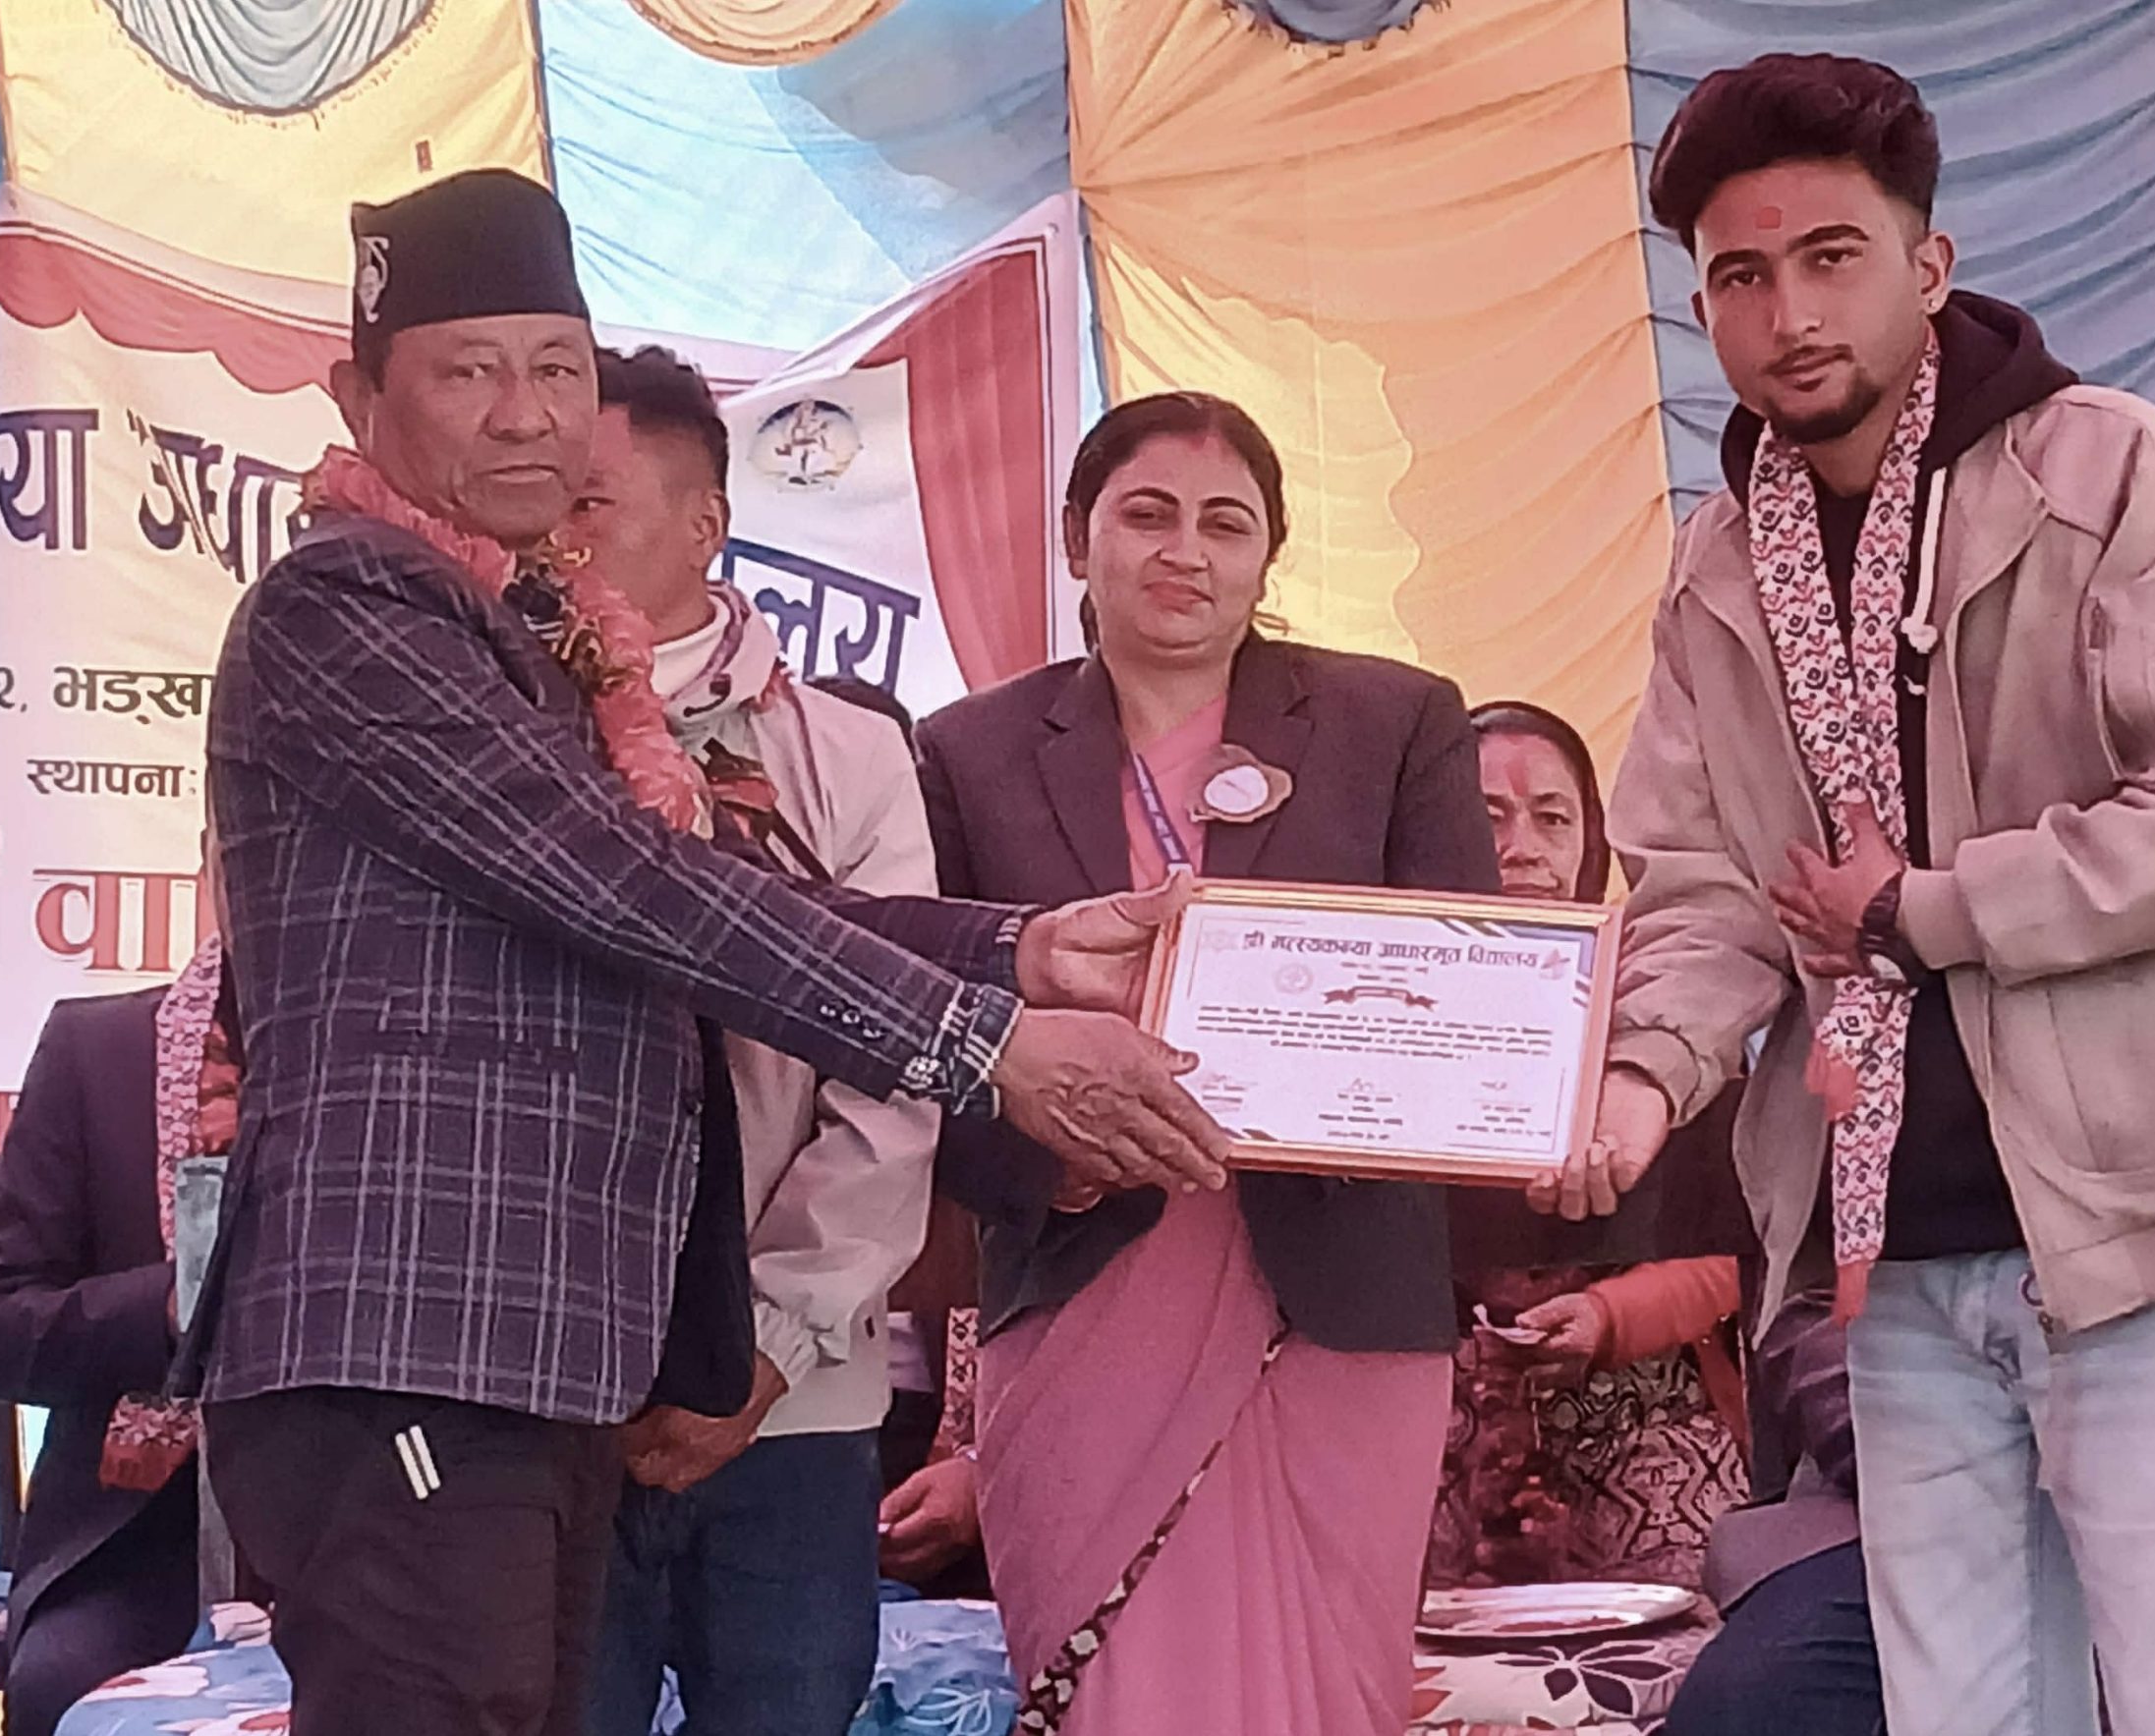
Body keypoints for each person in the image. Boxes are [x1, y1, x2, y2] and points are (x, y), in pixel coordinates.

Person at [183, 169, 1229, 1736]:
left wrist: (1022, 951)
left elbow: (707, 887)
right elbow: (627, 886)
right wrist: (986, 1043)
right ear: (359, 396)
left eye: (558, 367)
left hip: (544, 1353)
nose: (526, 412)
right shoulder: (348, 605)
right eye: (469, 371)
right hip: (411, 1338)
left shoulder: (531, 637)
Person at [1556, 54, 2155, 1736]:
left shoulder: (2106, 473)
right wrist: (1639, 1078)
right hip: (1885, 1255)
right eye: (1741, 276)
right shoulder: (1716, 565)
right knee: (1959, 1715)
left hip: (2143, 1226)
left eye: (1832, 256)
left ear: (1930, 262)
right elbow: (1699, 890)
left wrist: (1926, 908)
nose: (1789, 313)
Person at [914, 390, 1498, 1735]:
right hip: (1086, 1283)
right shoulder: (967, 752)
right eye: (1148, 515)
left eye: (1226, 524)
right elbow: (926, 1028)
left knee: (1332, 1692)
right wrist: (1057, 1162)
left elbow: (1465, 986)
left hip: (1336, 1295)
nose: (1186, 551)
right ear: (1078, 537)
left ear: (1268, 554)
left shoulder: (1395, 721)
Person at [1667, 997, 2155, 1736]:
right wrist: (1946, 1439)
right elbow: (1805, 1298)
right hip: (1909, 1490)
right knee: (1756, 1698)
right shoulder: (1886, 985)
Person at [567, 346, 942, 1736]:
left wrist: (772, 1341)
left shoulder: (845, 755)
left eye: (591, 503)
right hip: (550, 1398)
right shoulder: (505, 743)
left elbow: (896, 1075)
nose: (555, 538)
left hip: (795, 1399)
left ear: (704, 524)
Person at [1430, 700, 1747, 1590]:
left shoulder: (1668, 1010)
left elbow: (1735, 1255)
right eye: (1487, 817)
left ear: (1592, 838)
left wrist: (1609, 1318)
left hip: (1643, 1413)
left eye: (1552, 817)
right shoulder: (1388, 1004)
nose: (1523, 847)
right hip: (1436, 1422)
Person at [0, 934, 232, 1734]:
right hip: (132, 1540)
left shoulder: (397, 1057)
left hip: (360, 1530)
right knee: (64, 1686)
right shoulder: (100, 1050)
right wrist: (170, 1307)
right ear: (217, 872)